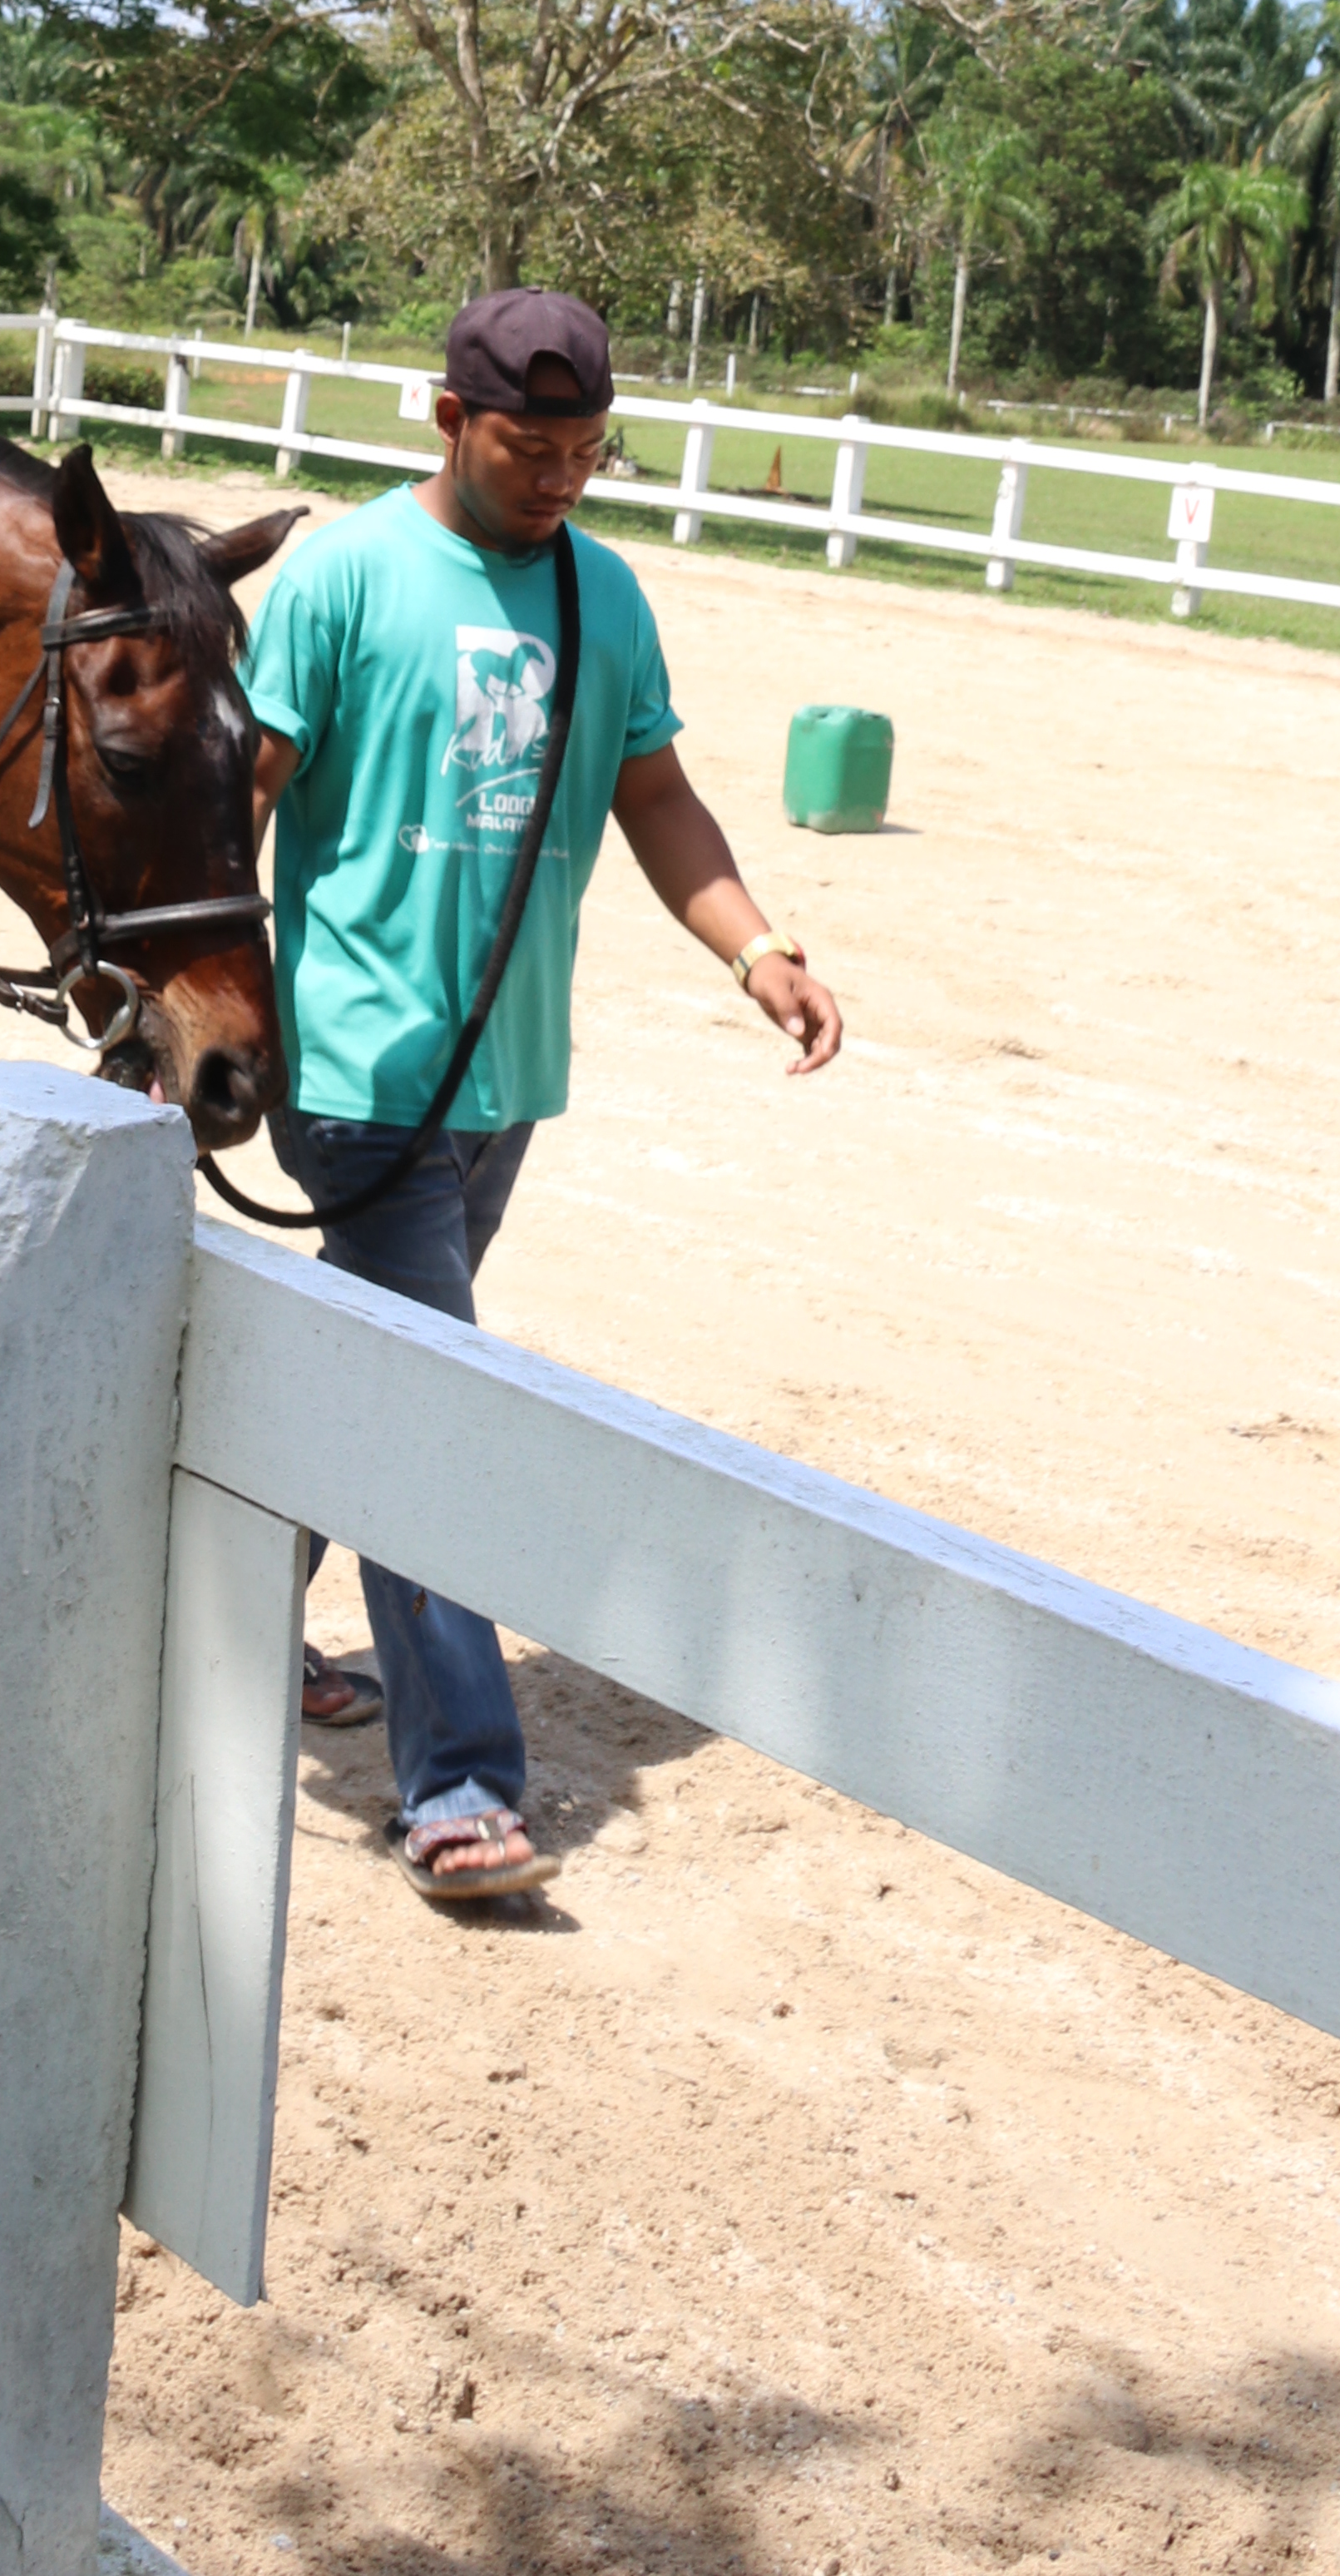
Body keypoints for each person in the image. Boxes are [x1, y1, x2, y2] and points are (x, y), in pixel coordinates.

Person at [240, 285, 843, 1905]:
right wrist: (189, 1017)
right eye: (528, 446)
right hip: (357, 1068)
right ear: (446, 421)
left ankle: (221, 1627)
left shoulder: (601, 593)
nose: (558, 476)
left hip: (504, 1077)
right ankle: (455, 1789)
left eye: (583, 451)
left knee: (366, 1379)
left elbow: (652, 792)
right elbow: (238, 790)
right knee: (432, 1412)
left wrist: (755, 947)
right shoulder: (346, 577)